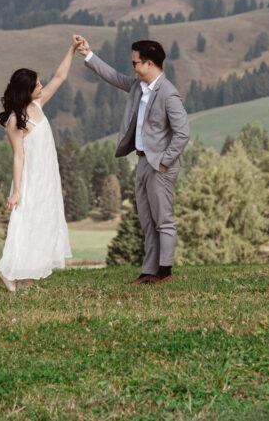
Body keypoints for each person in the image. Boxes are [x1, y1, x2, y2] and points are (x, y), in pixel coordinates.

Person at [75, 35, 190, 284]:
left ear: (149, 63)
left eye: (135, 63)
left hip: (160, 166)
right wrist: (87, 54)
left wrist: (163, 162)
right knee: (148, 221)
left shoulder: (168, 94)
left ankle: (165, 272)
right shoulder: (139, 86)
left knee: (164, 221)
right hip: (142, 162)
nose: (132, 67)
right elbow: (114, 77)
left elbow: (183, 134)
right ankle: (149, 272)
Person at [0, 37, 80, 292]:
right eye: (37, 85)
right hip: (30, 178)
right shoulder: (14, 121)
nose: (42, 87)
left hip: (47, 177)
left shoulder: (36, 105)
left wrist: (72, 49)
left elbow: (60, 76)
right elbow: (18, 156)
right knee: (26, 224)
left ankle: (26, 280)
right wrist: (17, 191)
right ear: (26, 90)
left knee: (41, 225)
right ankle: (6, 271)